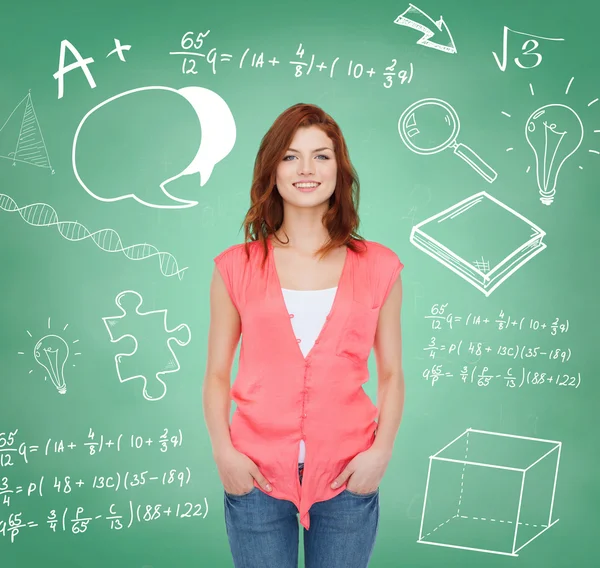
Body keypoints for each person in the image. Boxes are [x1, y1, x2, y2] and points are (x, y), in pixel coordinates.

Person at [203, 103, 405, 568]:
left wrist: (380, 455)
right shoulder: (235, 266)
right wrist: (224, 456)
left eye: (322, 156)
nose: (307, 169)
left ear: (340, 169)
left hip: (347, 473)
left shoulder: (380, 266)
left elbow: (392, 373)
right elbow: (216, 373)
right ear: (272, 169)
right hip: (254, 474)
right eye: (291, 157)